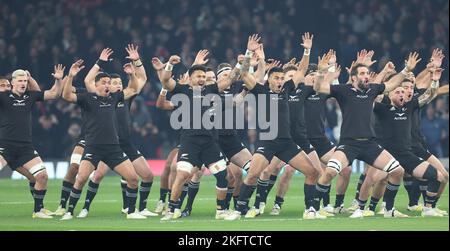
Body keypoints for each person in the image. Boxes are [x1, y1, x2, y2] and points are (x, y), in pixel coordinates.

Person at [313, 51, 421, 217]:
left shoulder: (372, 89)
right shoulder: (344, 90)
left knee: (398, 171)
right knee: (330, 172)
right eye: (362, 74)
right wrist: (321, 72)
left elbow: (391, 85)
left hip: (370, 144)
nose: (366, 76)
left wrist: (406, 70)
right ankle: (312, 208)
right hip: (348, 143)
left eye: (366, 73)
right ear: (354, 78)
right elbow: (319, 87)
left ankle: (389, 209)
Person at [74, 45, 157, 218]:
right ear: (106, 86)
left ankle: (139, 208)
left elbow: (141, 79)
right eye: (114, 83)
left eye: (120, 83)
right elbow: (88, 82)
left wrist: (136, 61)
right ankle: (85, 208)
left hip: (125, 143)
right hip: (108, 144)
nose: (118, 86)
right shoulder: (100, 96)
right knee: (97, 177)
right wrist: (99, 62)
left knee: (148, 175)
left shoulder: (125, 96)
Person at [60, 59, 145, 220]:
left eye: (108, 83)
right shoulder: (87, 98)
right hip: (93, 148)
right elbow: (66, 95)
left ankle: (132, 212)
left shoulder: (114, 98)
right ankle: (69, 211)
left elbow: (133, 89)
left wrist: (131, 74)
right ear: (96, 85)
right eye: (104, 82)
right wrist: (70, 76)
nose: (107, 85)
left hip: (113, 149)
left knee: (133, 179)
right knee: (81, 179)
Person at [158, 51, 234, 220]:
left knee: (224, 176)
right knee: (182, 175)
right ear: (190, 78)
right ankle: (172, 210)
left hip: (209, 143)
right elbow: (165, 81)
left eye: (203, 76)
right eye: (198, 76)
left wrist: (245, 59)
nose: (201, 79)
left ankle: (220, 211)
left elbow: (229, 80)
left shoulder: (211, 89)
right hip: (189, 142)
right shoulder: (182, 91)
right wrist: (169, 64)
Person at [0, 65, 65, 218]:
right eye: (20, 80)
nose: (23, 83)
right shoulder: (3, 97)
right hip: (4, 147)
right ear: (13, 83)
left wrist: (58, 79)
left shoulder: (30, 97)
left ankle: (38, 210)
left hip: (25, 148)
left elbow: (55, 94)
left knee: (41, 177)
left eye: (25, 80)